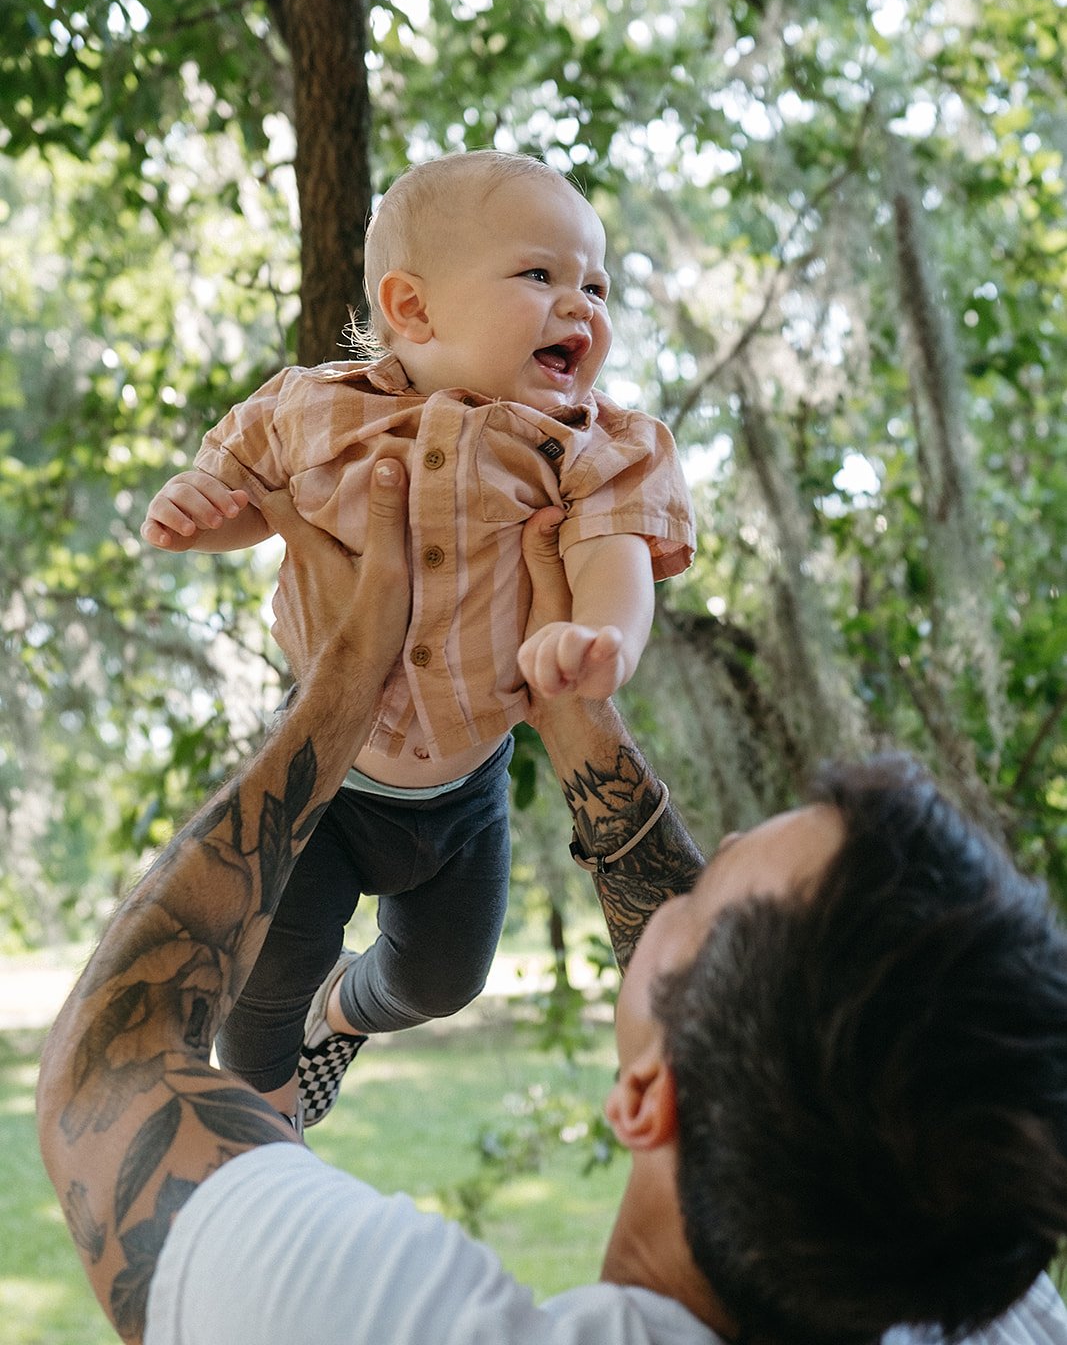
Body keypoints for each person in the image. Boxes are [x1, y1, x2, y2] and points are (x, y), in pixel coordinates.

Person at [39, 468, 1067, 1345]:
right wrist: (572, 710)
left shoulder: (386, 1317)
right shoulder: (978, 1266)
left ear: (644, 1100)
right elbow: (741, 1027)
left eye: (699, 900)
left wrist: (345, 671)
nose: (684, 884)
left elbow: (105, 1071)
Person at [139, 149, 695, 1127]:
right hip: (322, 773)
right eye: (540, 275)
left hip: (464, 787)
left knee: (445, 979)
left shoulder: (589, 447)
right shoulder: (314, 410)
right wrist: (200, 511)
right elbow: (244, 499)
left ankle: (343, 1007)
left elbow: (610, 553)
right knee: (265, 978)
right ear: (413, 307)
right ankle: (266, 1138)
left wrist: (599, 634)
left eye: (595, 284)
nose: (580, 305)